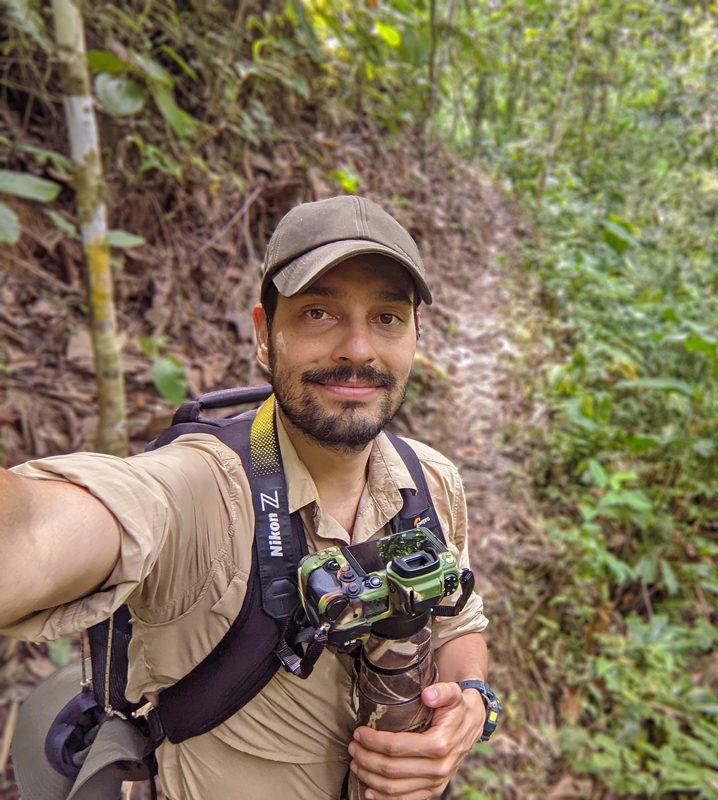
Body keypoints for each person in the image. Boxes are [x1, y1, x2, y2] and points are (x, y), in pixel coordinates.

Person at [0, 195, 492, 800]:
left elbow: (455, 624)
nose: (359, 349)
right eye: (319, 313)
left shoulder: (432, 481)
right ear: (265, 334)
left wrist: (471, 701)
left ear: (416, 334)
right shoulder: (201, 488)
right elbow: (39, 530)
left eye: (386, 318)